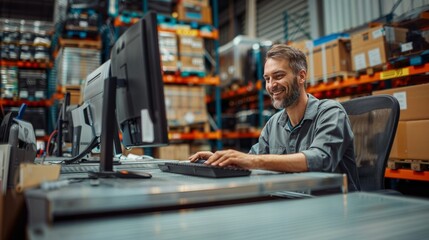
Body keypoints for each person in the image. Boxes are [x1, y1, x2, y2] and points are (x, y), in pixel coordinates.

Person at [189, 44, 360, 191]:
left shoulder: (330, 112)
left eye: (278, 76)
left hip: (334, 208)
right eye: (267, 79)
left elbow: (321, 159)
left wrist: (252, 160)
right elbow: (251, 159)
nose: (271, 86)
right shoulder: (274, 124)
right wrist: (220, 159)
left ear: (301, 76)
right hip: (292, 204)